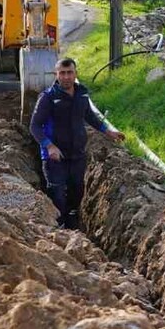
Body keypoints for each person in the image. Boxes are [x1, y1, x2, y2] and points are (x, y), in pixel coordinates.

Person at [29, 58, 126, 229]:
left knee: (77, 190)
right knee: (57, 194)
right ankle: (58, 228)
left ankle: (72, 219)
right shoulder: (48, 98)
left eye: (69, 73)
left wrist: (108, 131)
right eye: (62, 73)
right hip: (54, 157)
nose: (66, 77)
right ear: (56, 75)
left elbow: (89, 115)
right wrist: (49, 146)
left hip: (77, 154)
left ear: (75, 74)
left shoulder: (82, 93)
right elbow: (34, 126)